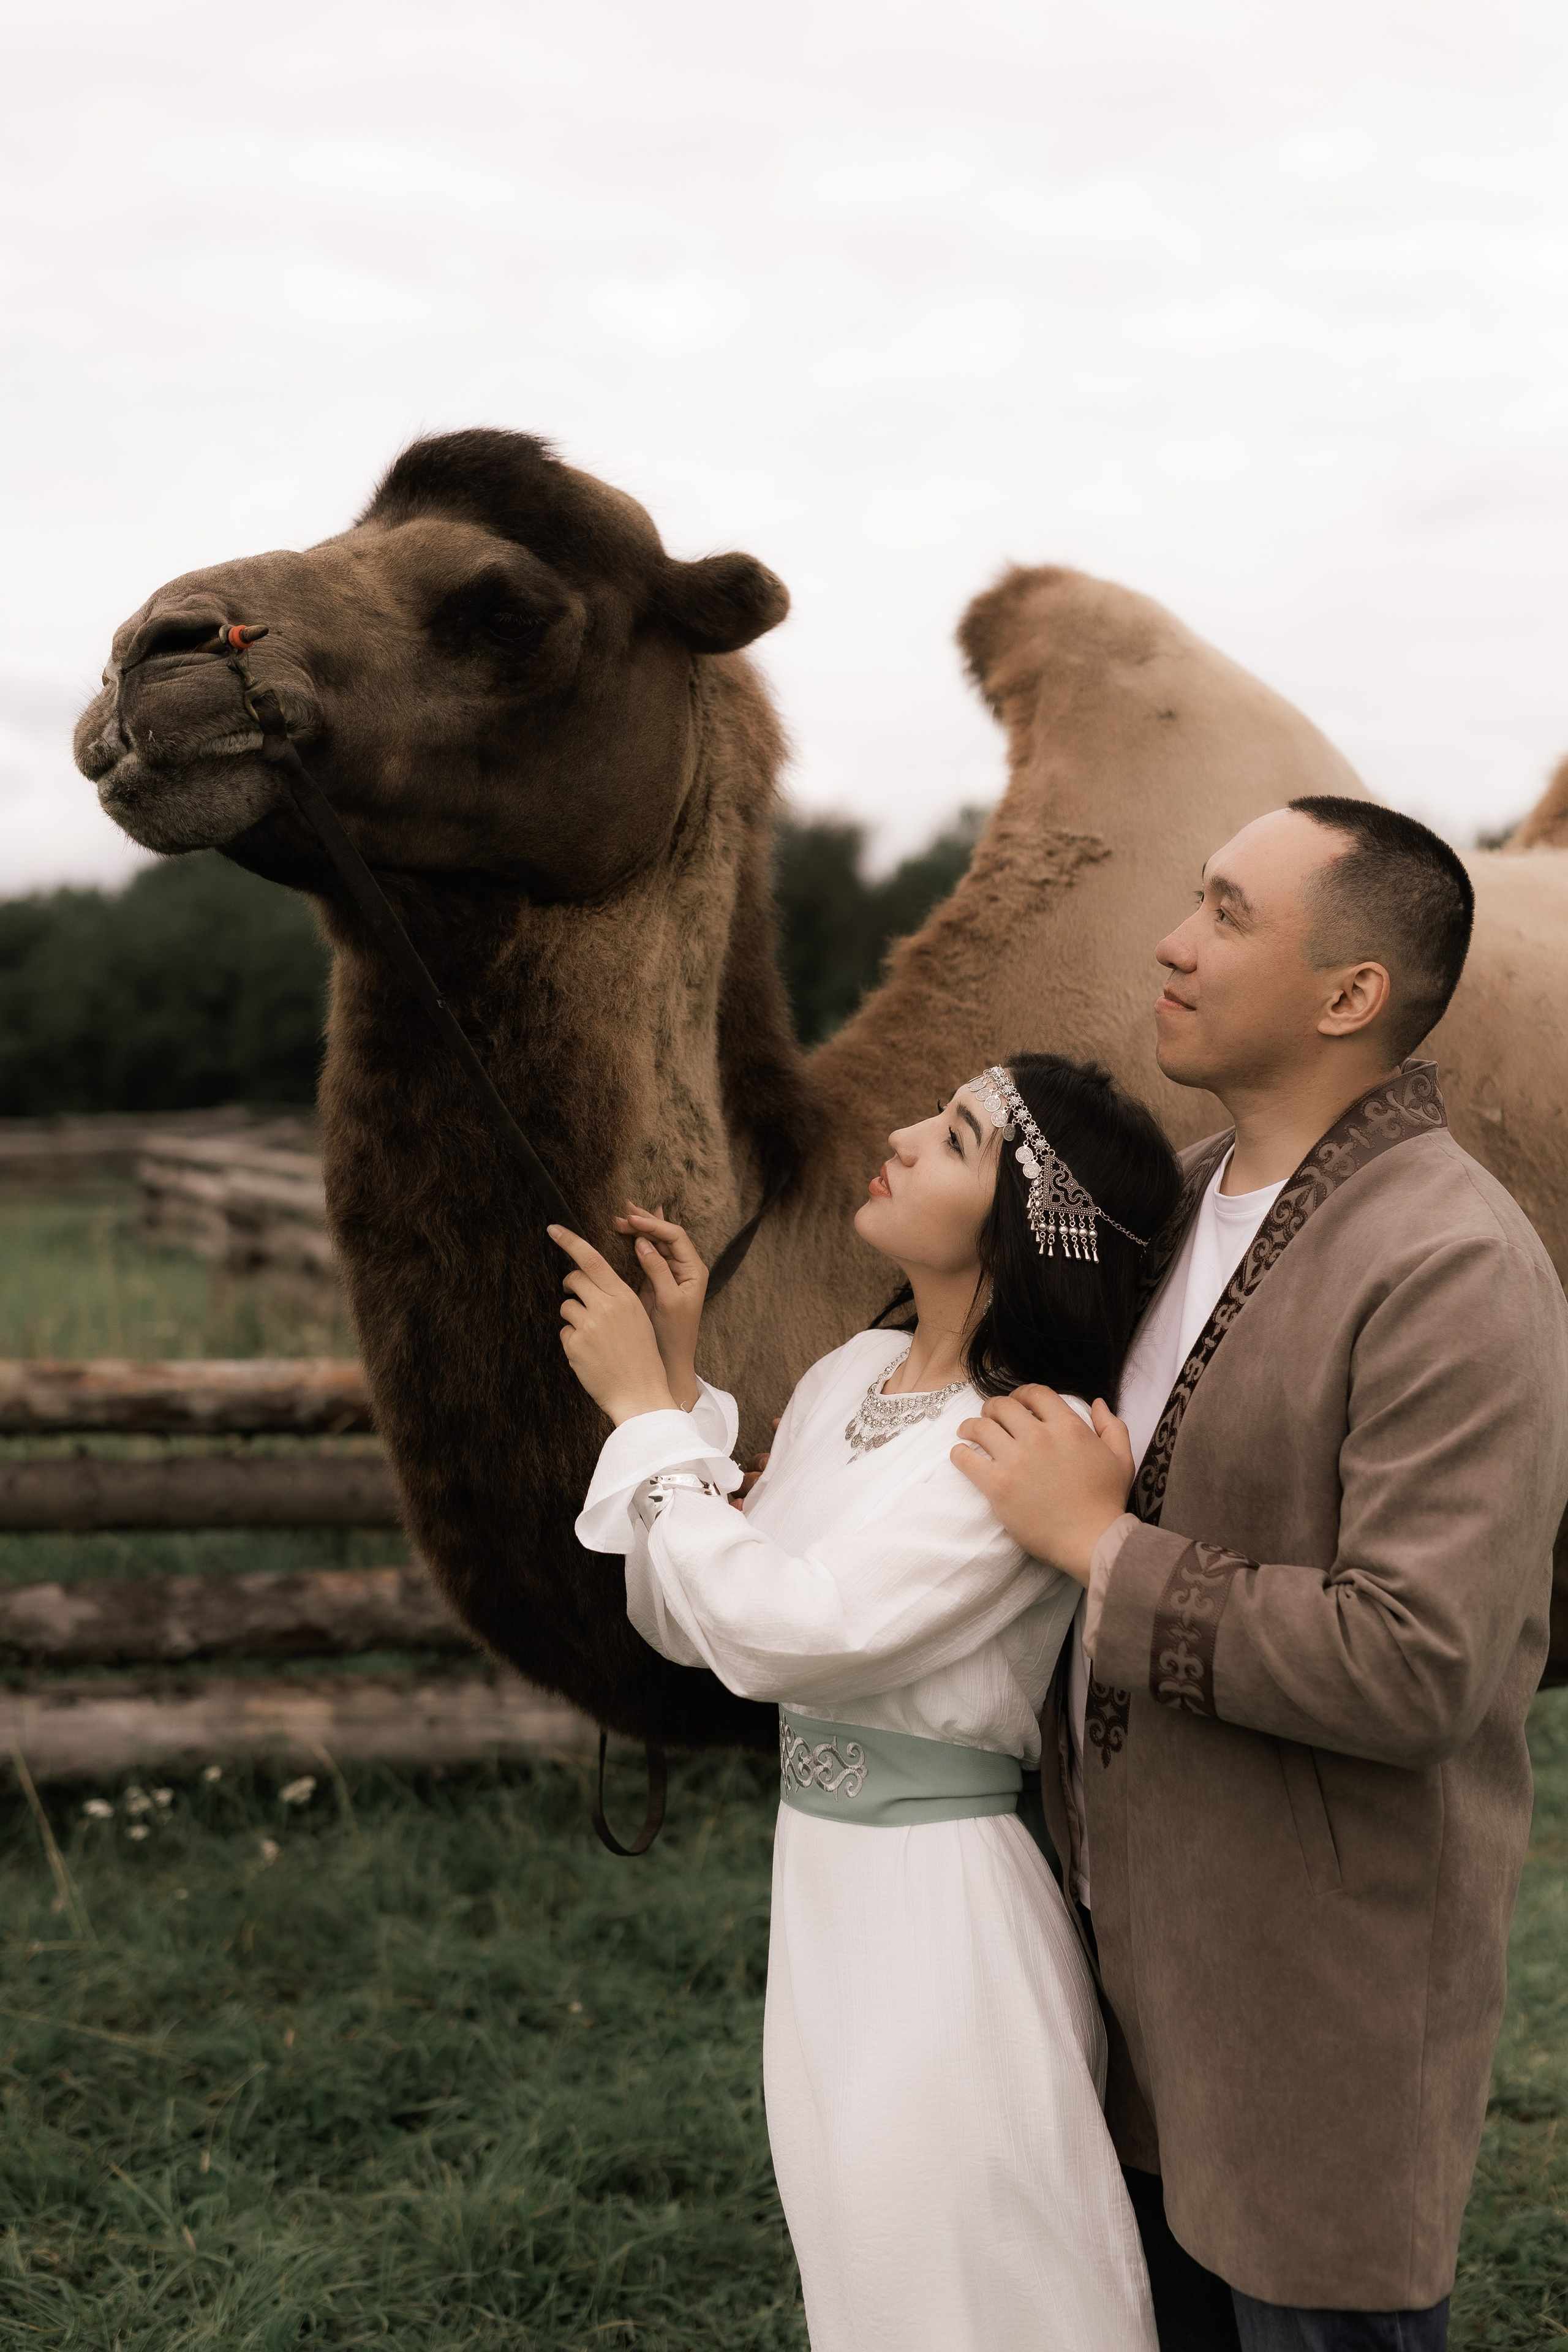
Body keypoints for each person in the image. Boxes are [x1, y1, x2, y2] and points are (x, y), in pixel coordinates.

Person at [952, 797, 1568, 2351]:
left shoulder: (1451, 1262)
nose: (1170, 943)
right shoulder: (1171, 1205)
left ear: (1347, 994)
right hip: (1125, 1980)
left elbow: (1414, 1666)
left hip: (1312, 2018)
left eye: (1225, 914)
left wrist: (1100, 1547)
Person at [549, 1054, 1181, 2351]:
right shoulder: (854, 1371)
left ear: (1029, 1221)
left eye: (952, 1138)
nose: (897, 1137)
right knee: (863, 2272)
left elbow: (790, 1633)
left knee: (971, 2280)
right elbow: (687, 1624)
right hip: (823, 1888)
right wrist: (676, 1387)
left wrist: (646, 1418)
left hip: (940, 1914)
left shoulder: (1033, 1435)